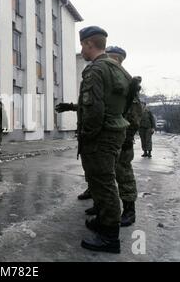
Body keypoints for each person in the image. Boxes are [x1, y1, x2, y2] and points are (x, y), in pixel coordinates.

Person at [74, 26, 131, 253]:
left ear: (89, 44)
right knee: (104, 180)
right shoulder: (117, 68)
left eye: (82, 46)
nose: (82, 50)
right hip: (115, 131)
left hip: (100, 136)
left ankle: (109, 236)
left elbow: (93, 110)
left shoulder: (95, 70)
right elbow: (127, 103)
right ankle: (103, 222)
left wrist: (87, 135)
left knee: (103, 183)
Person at [107, 46, 143, 227]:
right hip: (109, 137)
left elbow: (135, 113)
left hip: (123, 137)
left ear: (120, 59)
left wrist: (128, 138)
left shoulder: (127, 82)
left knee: (123, 173)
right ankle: (103, 207)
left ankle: (129, 210)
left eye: (112, 58)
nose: (109, 61)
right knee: (106, 173)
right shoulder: (111, 79)